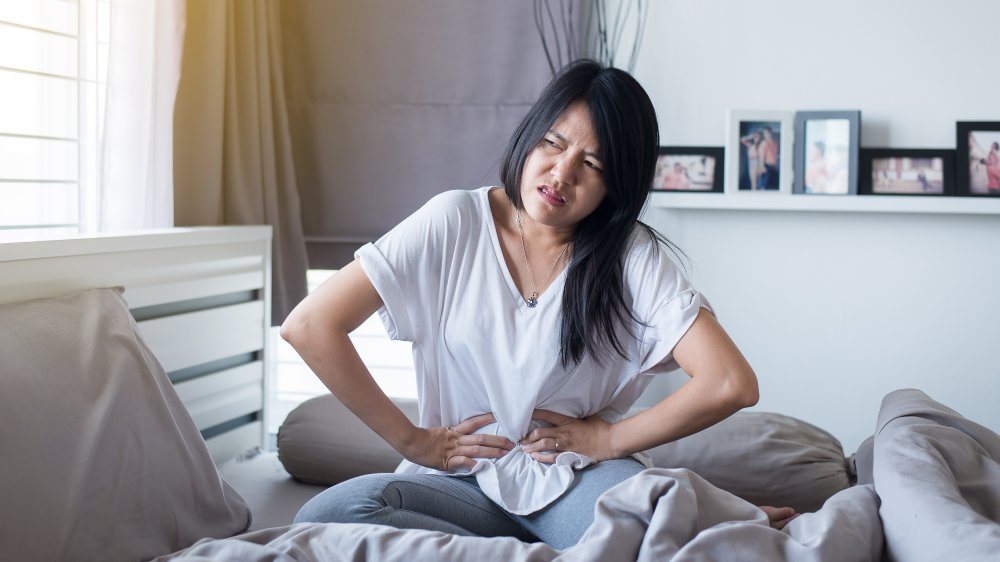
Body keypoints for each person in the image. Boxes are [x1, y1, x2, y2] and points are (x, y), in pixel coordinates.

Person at [280, 59, 796, 550]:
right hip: (459, 483)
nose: (561, 173)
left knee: (657, 536)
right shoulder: (454, 220)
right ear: (531, 136)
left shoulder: (631, 254)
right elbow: (309, 325)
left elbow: (730, 382)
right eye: (553, 142)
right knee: (329, 517)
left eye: (592, 164)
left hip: (572, 478)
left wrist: (611, 441)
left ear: (618, 185)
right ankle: (601, 538)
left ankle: (668, 523)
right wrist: (412, 441)